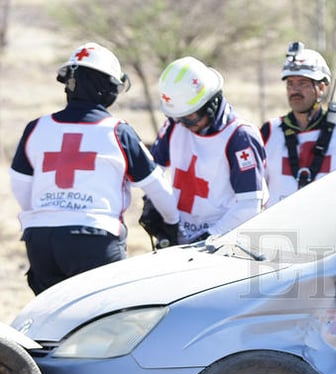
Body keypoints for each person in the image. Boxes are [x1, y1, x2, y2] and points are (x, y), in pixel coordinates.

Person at [9, 42, 179, 295]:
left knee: (49, 324)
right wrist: (174, 224)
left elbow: (20, 186)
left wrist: (52, 213)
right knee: (106, 322)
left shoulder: (37, 127)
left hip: (41, 241)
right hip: (94, 240)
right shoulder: (118, 131)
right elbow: (157, 187)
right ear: (107, 88)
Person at [149, 56, 267, 244]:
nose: (183, 124)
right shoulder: (175, 124)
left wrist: (208, 237)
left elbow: (249, 205)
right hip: (180, 239)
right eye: (179, 117)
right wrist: (153, 207)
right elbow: (153, 173)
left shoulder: (240, 137)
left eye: (189, 117)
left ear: (210, 104)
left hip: (222, 243)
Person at [260, 42, 336, 206]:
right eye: (290, 84)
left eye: (302, 83)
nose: (295, 90)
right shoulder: (270, 131)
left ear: (321, 87)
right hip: (280, 229)